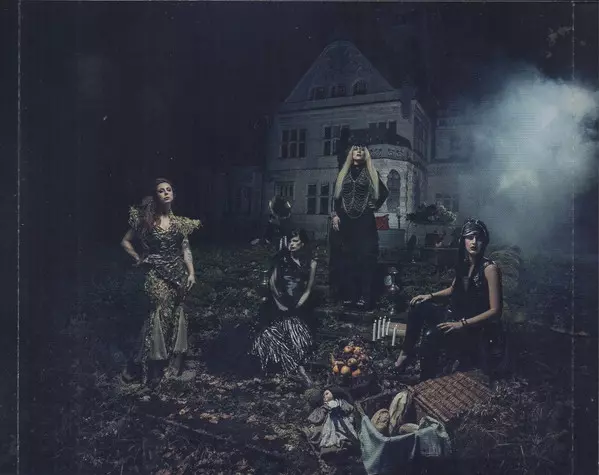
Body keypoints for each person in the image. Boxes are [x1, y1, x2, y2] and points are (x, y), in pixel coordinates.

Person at [394, 218, 506, 380]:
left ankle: (426, 381)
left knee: (430, 335)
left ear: (485, 241)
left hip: (471, 325)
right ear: (463, 240)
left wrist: (462, 324)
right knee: (418, 305)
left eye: (478, 238)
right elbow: (454, 289)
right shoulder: (465, 264)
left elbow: (495, 311)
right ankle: (406, 353)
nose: (474, 242)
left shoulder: (490, 269)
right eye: (470, 237)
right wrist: (429, 296)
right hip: (453, 314)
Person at [121, 178, 201, 386]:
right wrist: (138, 258)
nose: (166, 193)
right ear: (155, 196)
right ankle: (145, 367)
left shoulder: (180, 223)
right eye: (161, 191)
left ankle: (171, 365)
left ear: (173, 194)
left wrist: (191, 274)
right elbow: (125, 241)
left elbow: (186, 250)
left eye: (169, 189)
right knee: (158, 314)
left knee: (176, 315)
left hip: (179, 276)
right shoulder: (146, 220)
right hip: (156, 274)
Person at [251, 229, 317, 386]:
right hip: (278, 303)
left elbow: (308, 289)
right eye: (290, 241)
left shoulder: (311, 263)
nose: (291, 244)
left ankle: (299, 370)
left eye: (295, 241)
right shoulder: (281, 260)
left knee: (297, 335)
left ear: (303, 244)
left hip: (298, 305)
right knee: (271, 335)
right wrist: (281, 304)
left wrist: (299, 304)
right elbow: (272, 284)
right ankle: (266, 370)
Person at [331, 144, 388, 310]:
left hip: (364, 221)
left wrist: (374, 205)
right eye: (356, 149)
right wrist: (335, 215)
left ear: (366, 155)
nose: (359, 152)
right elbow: (336, 197)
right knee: (347, 259)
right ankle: (349, 296)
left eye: (362, 150)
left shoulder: (371, 173)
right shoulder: (343, 174)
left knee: (365, 259)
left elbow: (384, 193)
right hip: (345, 221)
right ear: (351, 153)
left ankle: (365, 297)